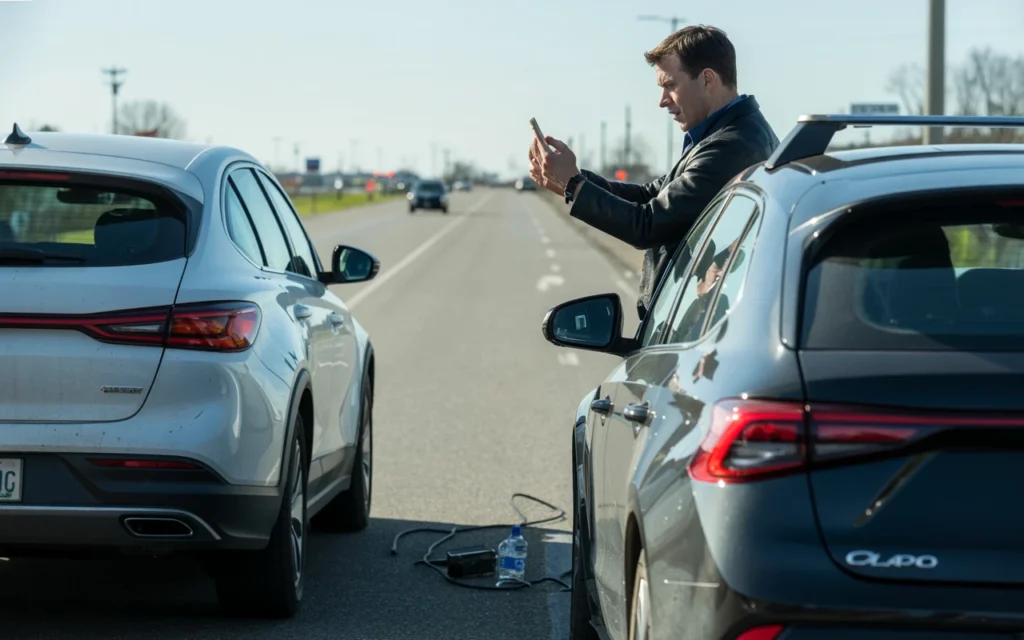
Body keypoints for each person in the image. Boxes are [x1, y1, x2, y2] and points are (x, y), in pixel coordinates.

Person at [528, 25, 779, 320]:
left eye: (670, 85)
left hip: (700, 323)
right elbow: (651, 195)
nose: (662, 100)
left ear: (708, 79)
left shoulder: (730, 146)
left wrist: (574, 184)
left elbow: (648, 224)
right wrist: (574, 181)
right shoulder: (729, 134)